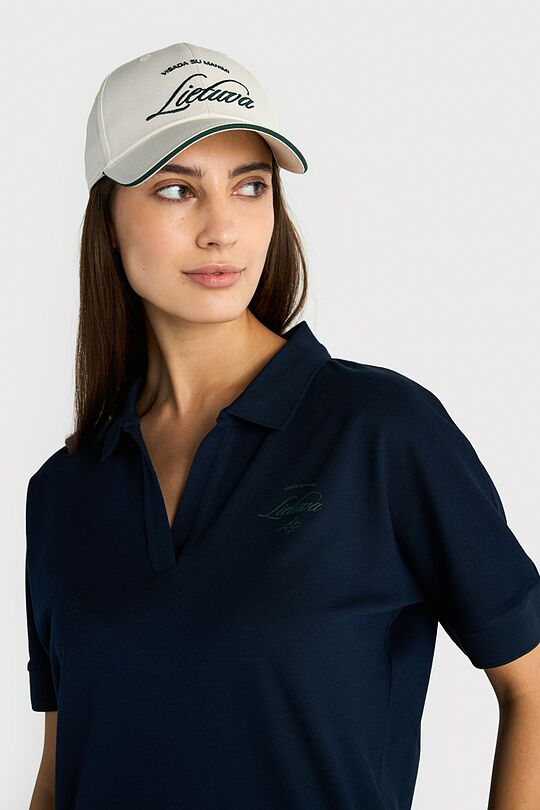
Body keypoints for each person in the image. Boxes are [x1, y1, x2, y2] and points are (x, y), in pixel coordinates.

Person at [24, 42, 540, 810]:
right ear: (107, 215)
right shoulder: (62, 492)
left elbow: (532, 686)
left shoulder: (381, 434)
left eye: (251, 185)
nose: (222, 229)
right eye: (176, 189)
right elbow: (62, 768)